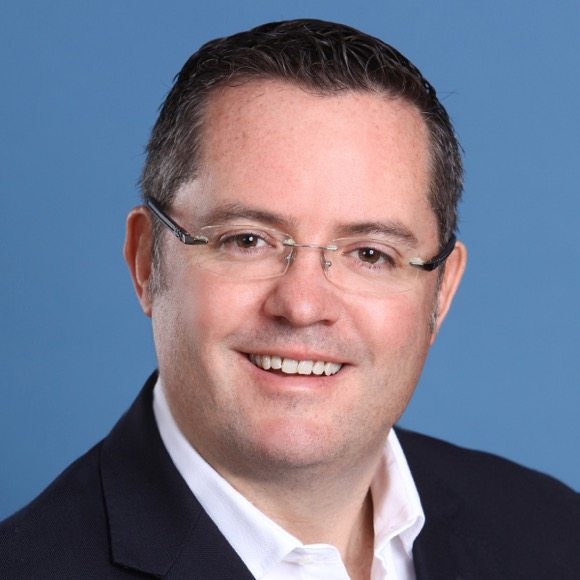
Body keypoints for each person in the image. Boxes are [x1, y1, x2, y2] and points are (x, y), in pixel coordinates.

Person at [1, 18, 578, 580]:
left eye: (370, 253)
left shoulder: (554, 534)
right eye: (247, 240)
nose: (302, 306)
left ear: (442, 290)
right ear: (147, 261)